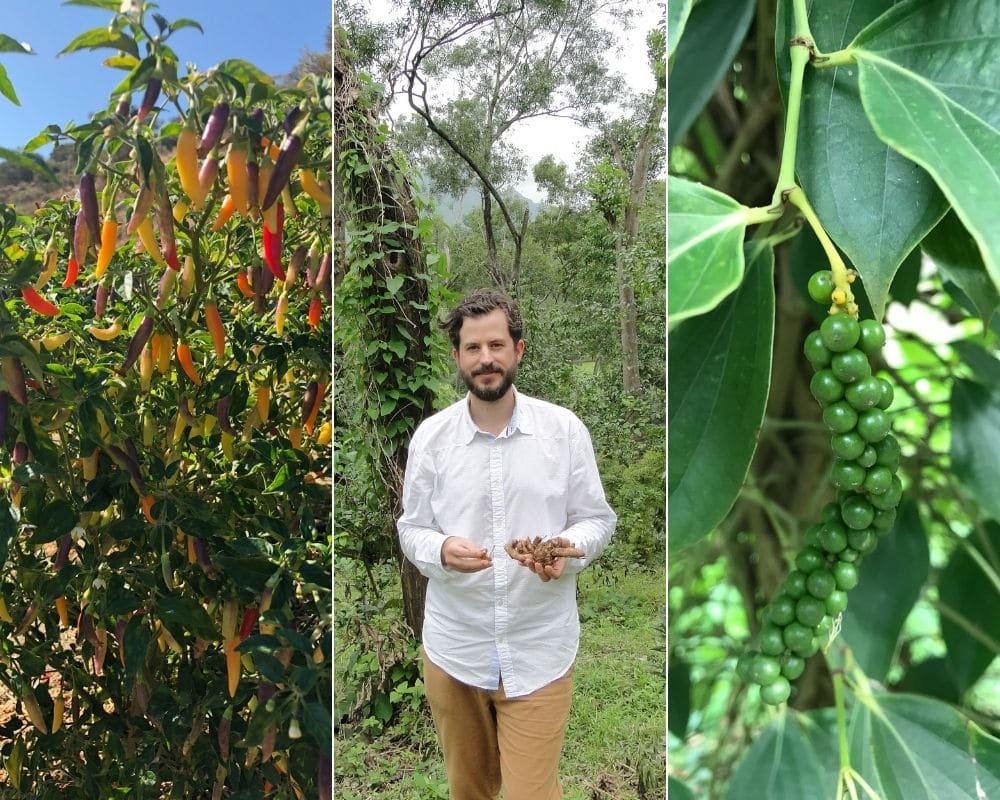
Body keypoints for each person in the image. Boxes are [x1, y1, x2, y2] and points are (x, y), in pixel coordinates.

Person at [397, 288, 617, 800]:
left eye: (496, 345)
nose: (486, 359)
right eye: (473, 348)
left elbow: (596, 519)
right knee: (469, 790)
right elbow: (412, 529)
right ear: (457, 358)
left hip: (538, 646)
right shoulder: (432, 438)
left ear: (518, 349)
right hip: (457, 650)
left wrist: (565, 548)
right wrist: (441, 549)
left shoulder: (563, 431)